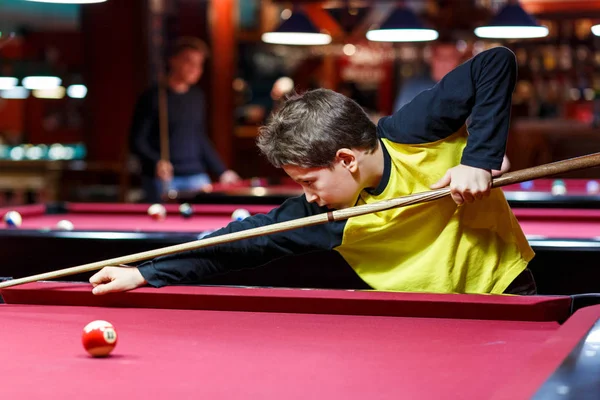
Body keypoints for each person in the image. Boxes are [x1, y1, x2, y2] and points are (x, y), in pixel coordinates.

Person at [91, 46, 536, 296]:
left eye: (309, 181)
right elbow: (240, 243)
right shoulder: (326, 217)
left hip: (505, 287)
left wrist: (478, 159)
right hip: (419, 313)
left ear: (346, 159)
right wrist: (146, 272)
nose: (308, 195)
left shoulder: (411, 131)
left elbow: (495, 63)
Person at [130, 37, 240, 203]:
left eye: (199, 64)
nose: (195, 69)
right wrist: (156, 162)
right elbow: (136, 141)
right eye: (189, 62)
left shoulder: (197, 97)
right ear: (173, 61)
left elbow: (199, 137)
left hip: (196, 175)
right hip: (165, 178)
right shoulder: (154, 96)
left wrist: (222, 171)